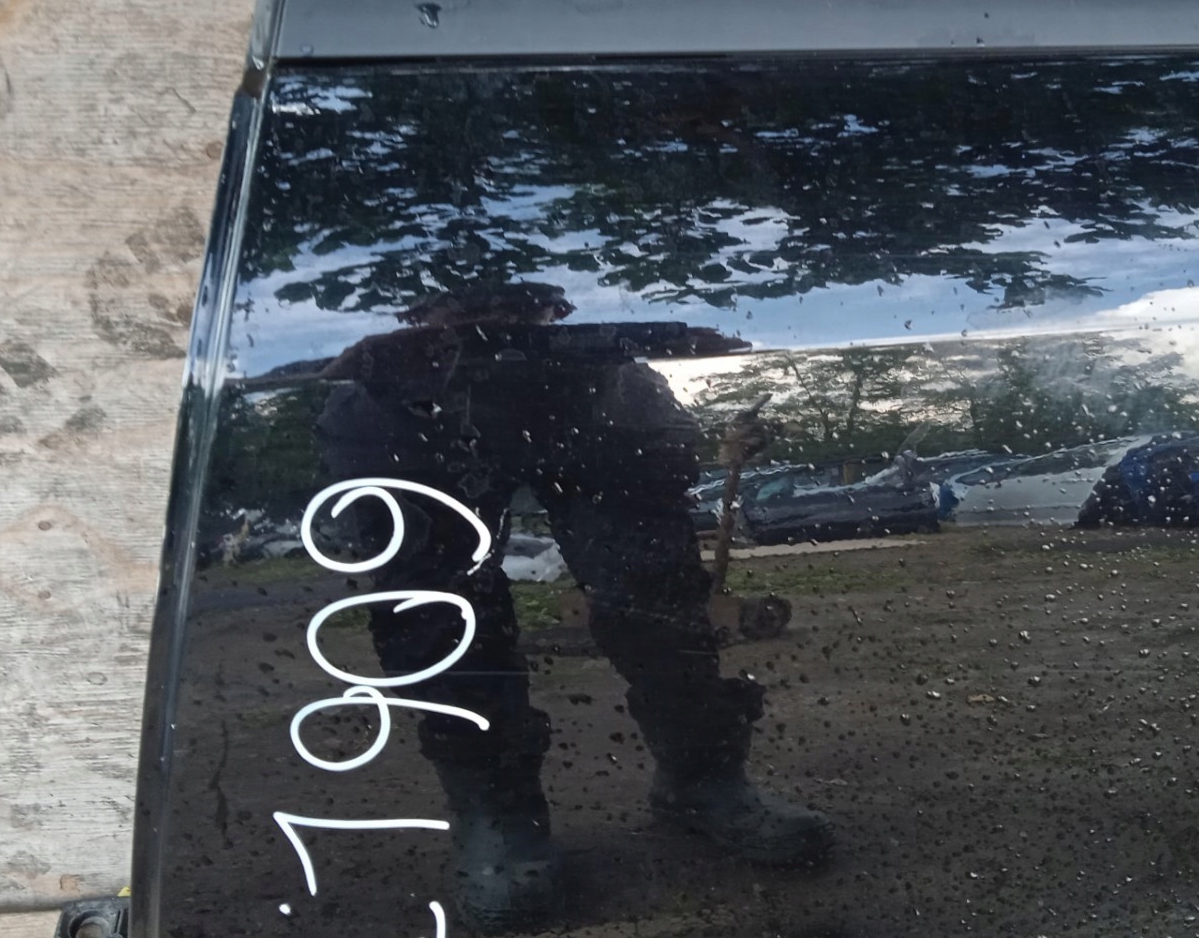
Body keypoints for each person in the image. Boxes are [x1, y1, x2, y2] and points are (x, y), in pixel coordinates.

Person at [314, 283, 832, 933]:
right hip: (410, 390)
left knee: (655, 585)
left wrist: (646, 335)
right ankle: (498, 809)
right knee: (437, 606)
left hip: (587, 379)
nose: (492, 322)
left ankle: (700, 777)